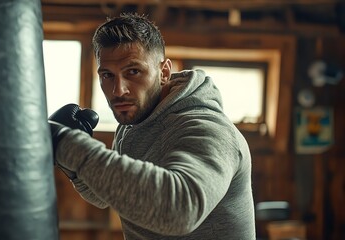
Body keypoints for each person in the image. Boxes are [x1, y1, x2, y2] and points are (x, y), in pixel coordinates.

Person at [49, 12, 256, 240]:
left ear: (164, 72)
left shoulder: (207, 129)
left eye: (133, 72)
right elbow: (107, 196)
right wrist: (71, 166)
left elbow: (179, 212)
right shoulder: (133, 123)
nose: (119, 90)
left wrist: (69, 145)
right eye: (108, 75)